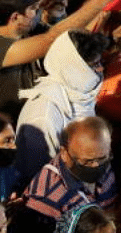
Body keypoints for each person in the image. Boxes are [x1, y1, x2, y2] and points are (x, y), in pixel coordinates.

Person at [0, 0, 121, 120]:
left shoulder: (25, 30)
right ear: (15, 17)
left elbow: (71, 37)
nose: (38, 12)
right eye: (33, 9)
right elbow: (51, 39)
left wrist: (44, 2)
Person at [14, 32, 108, 180]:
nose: (101, 69)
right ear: (75, 68)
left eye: (100, 62)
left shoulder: (78, 96)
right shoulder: (44, 116)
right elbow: (40, 177)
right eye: (94, 65)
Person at [20, 116, 118, 226]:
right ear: (64, 153)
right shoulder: (46, 199)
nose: (96, 165)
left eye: (102, 158)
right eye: (88, 161)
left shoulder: (102, 159)